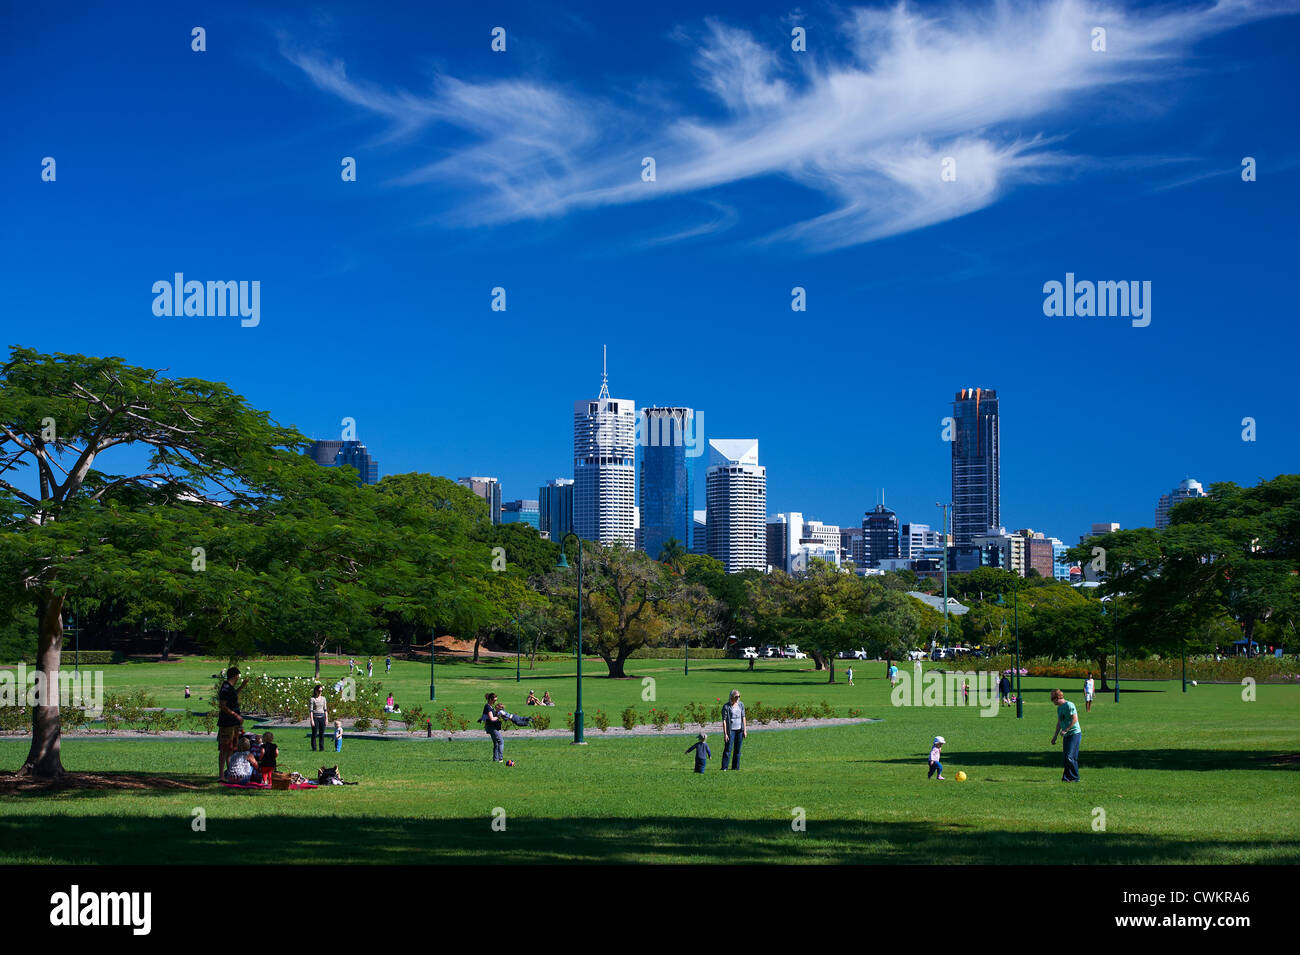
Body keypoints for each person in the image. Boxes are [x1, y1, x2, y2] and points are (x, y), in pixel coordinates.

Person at [217, 666, 248, 779]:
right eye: (238, 677)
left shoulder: (230, 688)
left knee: (232, 748)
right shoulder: (225, 687)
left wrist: (242, 687)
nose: (238, 679)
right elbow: (223, 706)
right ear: (235, 676)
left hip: (234, 723)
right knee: (225, 748)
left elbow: (233, 695)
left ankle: (230, 772)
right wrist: (236, 715)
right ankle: (221, 775)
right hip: (227, 722)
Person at [1050, 689, 1082, 782]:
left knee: (1070, 757)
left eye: (1053, 699)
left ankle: (1075, 778)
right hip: (1066, 735)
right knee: (1066, 758)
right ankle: (1067, 778)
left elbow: (1075, 719)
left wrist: (1066, 730)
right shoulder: (1059, 708)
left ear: (1057, 698)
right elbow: (1059, 723)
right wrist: (1054, 737)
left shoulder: (1069, 705)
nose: (1053, 702)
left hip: (1074, 733)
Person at [720, 689, 747, 771]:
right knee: (728, 749)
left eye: (739, 696)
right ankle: (724, 767)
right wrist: (725, 734)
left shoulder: (741, 705)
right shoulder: (726, 707)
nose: (738, 698)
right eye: (736, 696)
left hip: (739, 730)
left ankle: (735, 767)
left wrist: (745, 730)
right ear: (732, 697)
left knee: (737, 750)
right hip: (730, 731)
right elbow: (724, 720)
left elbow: (743, 717)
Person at [481, 692, 505, 762]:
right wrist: (498, 716)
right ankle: (500, 759)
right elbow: (492, 718)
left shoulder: (490, 707)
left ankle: (495, 759)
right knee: (501, 741)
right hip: (491, 727)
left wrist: (498, 711)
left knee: (496, 743)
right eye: (494, 700)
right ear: (490, 699)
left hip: (491, 727)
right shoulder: (488, 707)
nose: (495, 701)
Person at [309, 684, 329, 752]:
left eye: (321, 691)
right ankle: (314, 748)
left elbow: (325, 709)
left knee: (322, 733)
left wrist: (326, 719)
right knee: (314, 733)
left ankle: (321, 748)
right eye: (319, 691)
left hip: (322, 717)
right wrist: (311, 720)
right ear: (316, 691)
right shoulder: (312, 699)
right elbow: (311, 711)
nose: (320, 692)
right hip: (315, 717)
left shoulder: (323, 698)